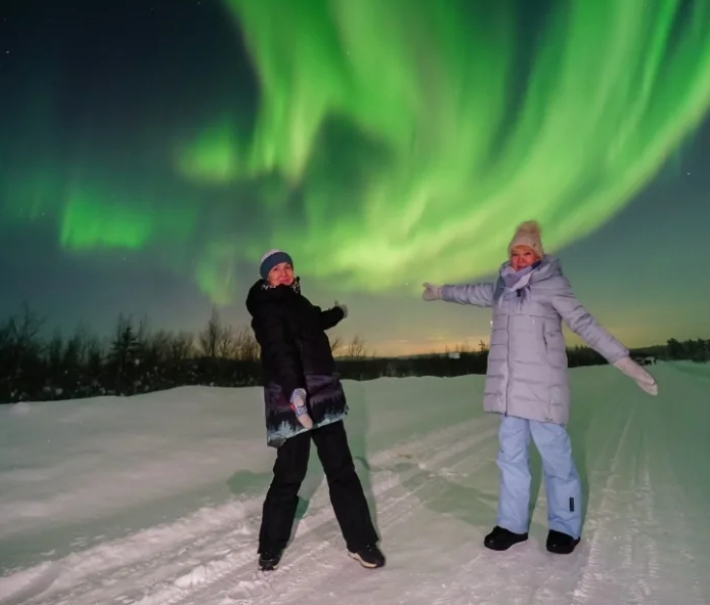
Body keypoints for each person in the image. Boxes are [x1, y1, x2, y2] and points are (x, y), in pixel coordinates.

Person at [422, 220, 658, 555]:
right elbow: (470, 292)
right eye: (514, 253)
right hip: (509, 390)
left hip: (544, 390)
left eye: (526, 252)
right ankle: (511, 524)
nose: (519, 259)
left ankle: (566, 526)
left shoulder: (552, 285)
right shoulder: (502, 287)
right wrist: (441, 292)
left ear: (538, 254)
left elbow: (584, 323)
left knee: (556, 460)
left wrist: (623, 360)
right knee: (510, 459)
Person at [246, 249, 385, 571]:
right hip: (291, 399)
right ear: (266, 275)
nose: (283, 273)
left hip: (321, 395)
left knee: (342, 469)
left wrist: (334, 314)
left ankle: (361, 542)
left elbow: (312, 322)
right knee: (290, 474)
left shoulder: (298, 301)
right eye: (276, 269)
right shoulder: (267, 308)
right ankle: (270, 546)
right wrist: (295, 392)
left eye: (288, 267)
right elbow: (280, 350)